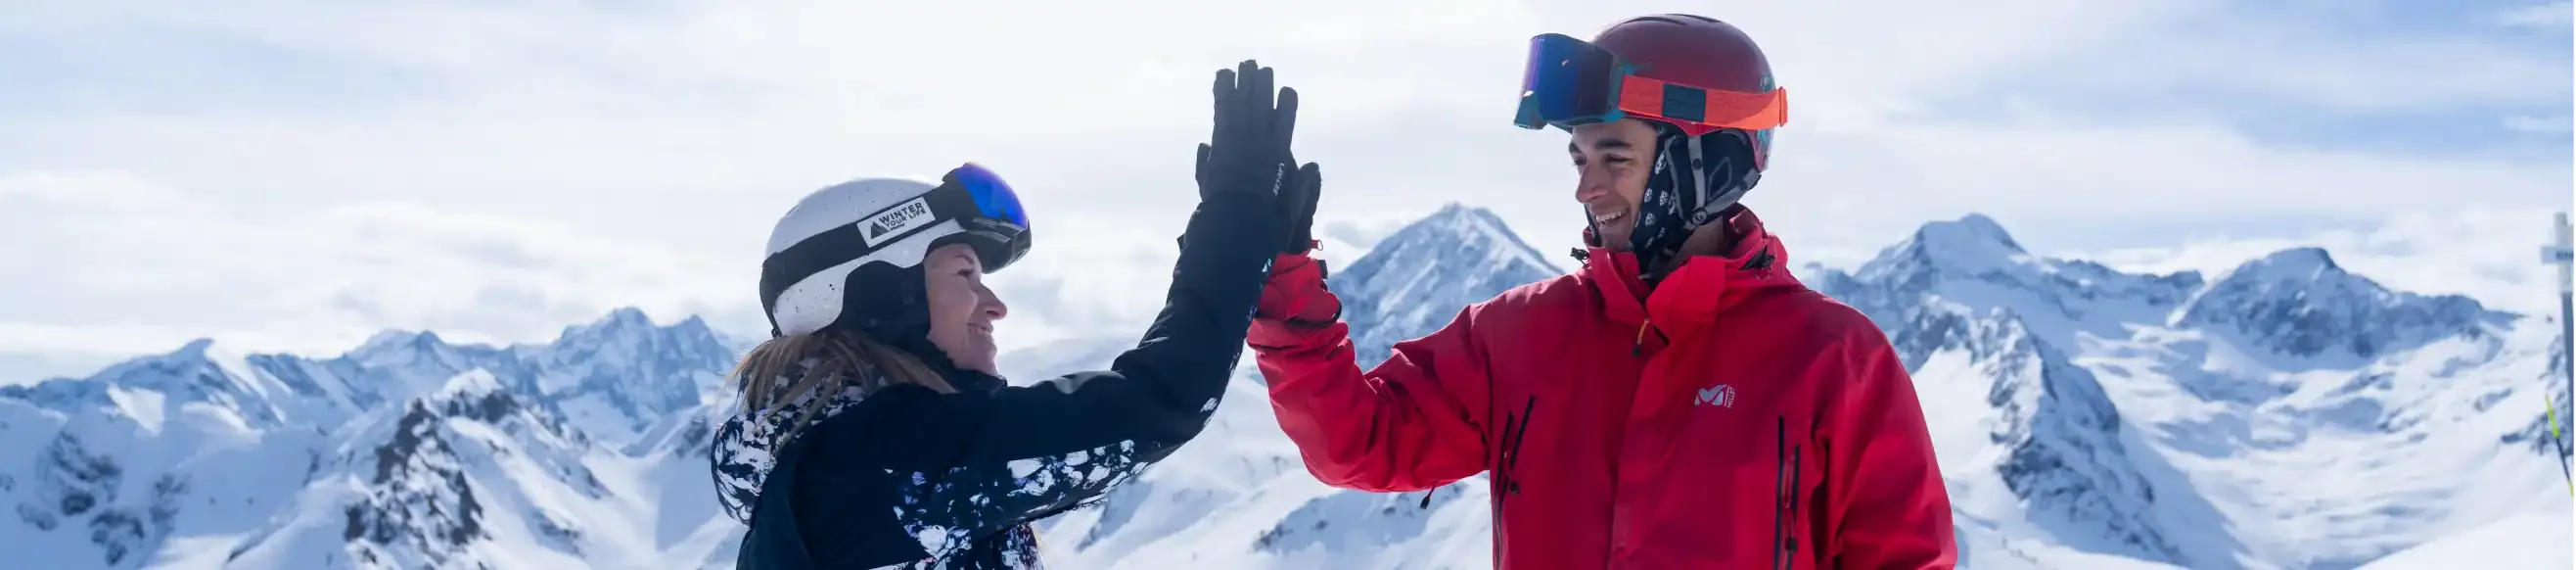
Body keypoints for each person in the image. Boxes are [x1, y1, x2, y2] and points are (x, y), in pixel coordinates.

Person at [1247, 15, 1957, 569]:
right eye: (1579, 158)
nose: (1586, 188)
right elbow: (1359, 443)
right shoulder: (1519, 335)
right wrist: (1282, 278)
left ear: (1709, 164)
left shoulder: (1832, 359)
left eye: (1615, 158)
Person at [710, 60, 1321, 569]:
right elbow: (1157, 401)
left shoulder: (840, 472)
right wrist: (1237, 217)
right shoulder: (875, 464)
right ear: (877, 294)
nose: (995, 306)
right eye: (964, 274)